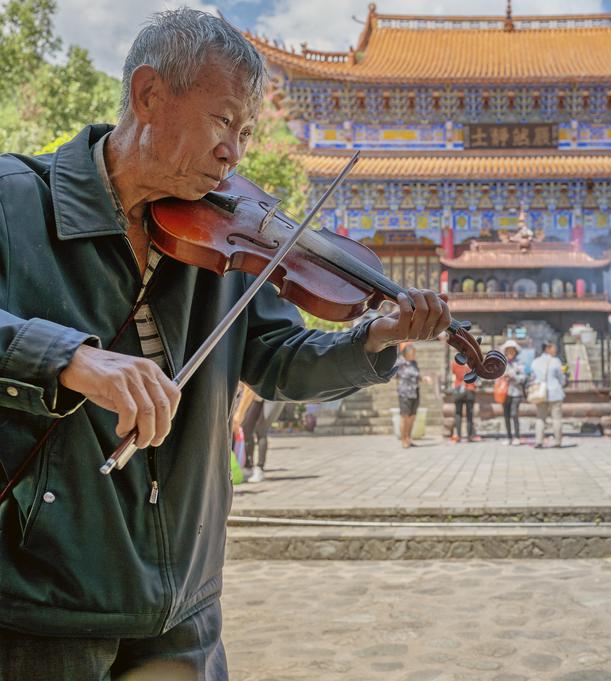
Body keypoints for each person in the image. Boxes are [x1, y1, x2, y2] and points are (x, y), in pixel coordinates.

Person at [0, 9, 452, 679]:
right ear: (149, 96)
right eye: (222, 122)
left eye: (245, 132)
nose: (234, 154)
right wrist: (69, 358)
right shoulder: (15, 203)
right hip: (48, 608)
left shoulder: (225, 241)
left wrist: (372, 339)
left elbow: (281, 361)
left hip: (185, 603)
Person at [231, 383, 284, 482]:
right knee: (246, 428)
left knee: (261, 429)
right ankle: (248, 466)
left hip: (274, 394)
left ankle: (260, 469)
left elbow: (248, 390)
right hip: (258, 395)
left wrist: (239, 414)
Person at [530, 341, 566, 448]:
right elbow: (561, 378)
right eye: (553, 347)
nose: (555, 350)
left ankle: (538, 441)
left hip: (540, 393)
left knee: (540, 418)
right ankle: (557, 441)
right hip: (555, 392)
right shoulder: (556, 361)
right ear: (547, 348)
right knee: (556, 418)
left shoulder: (535, 362)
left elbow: (533, 377)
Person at [395, 344, 431, 448]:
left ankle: (408, 438)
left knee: (412, 417)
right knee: (404, 417)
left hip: (415, 392)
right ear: (406, 354)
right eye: (413, 354)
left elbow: (417, 375)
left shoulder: (414, 363)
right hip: (404, 393)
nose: (414, 355)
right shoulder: (400, 363)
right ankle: (403, 439)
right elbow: (394, 376)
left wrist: (424, 378)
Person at [499, 340, 527, 446]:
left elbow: (523, 378)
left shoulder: (520, 363)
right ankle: (508, 437)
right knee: (506, 415)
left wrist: (513, 376)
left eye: (512, 351)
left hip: (516, 392)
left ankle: (517, 436)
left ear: (515, 352)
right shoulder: (502, 363)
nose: (510, 353)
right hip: (505, 392)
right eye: (508, 351)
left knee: (514, 414)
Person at [450, 355, 481, 442]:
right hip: (470, 389)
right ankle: (469, 436)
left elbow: (453, 374)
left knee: (458, 413)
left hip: (458, 389)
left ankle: (458, 436)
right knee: (469, 414)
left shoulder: (455, 362)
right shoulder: (473, 362)